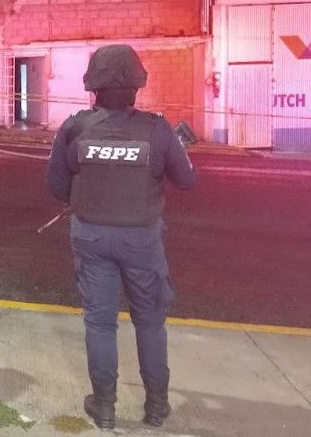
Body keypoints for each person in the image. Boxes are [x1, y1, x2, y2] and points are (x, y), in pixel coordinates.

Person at [46, 44, 195, 430]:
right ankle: (156, 406)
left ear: (93, 86)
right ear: (136, 85)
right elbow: (186, 180)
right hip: (142, 240)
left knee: (100, 323)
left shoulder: (75, 127)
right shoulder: (158, 129)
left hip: (92, 238)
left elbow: (57, 186)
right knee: (150, 322)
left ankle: (105, 406)